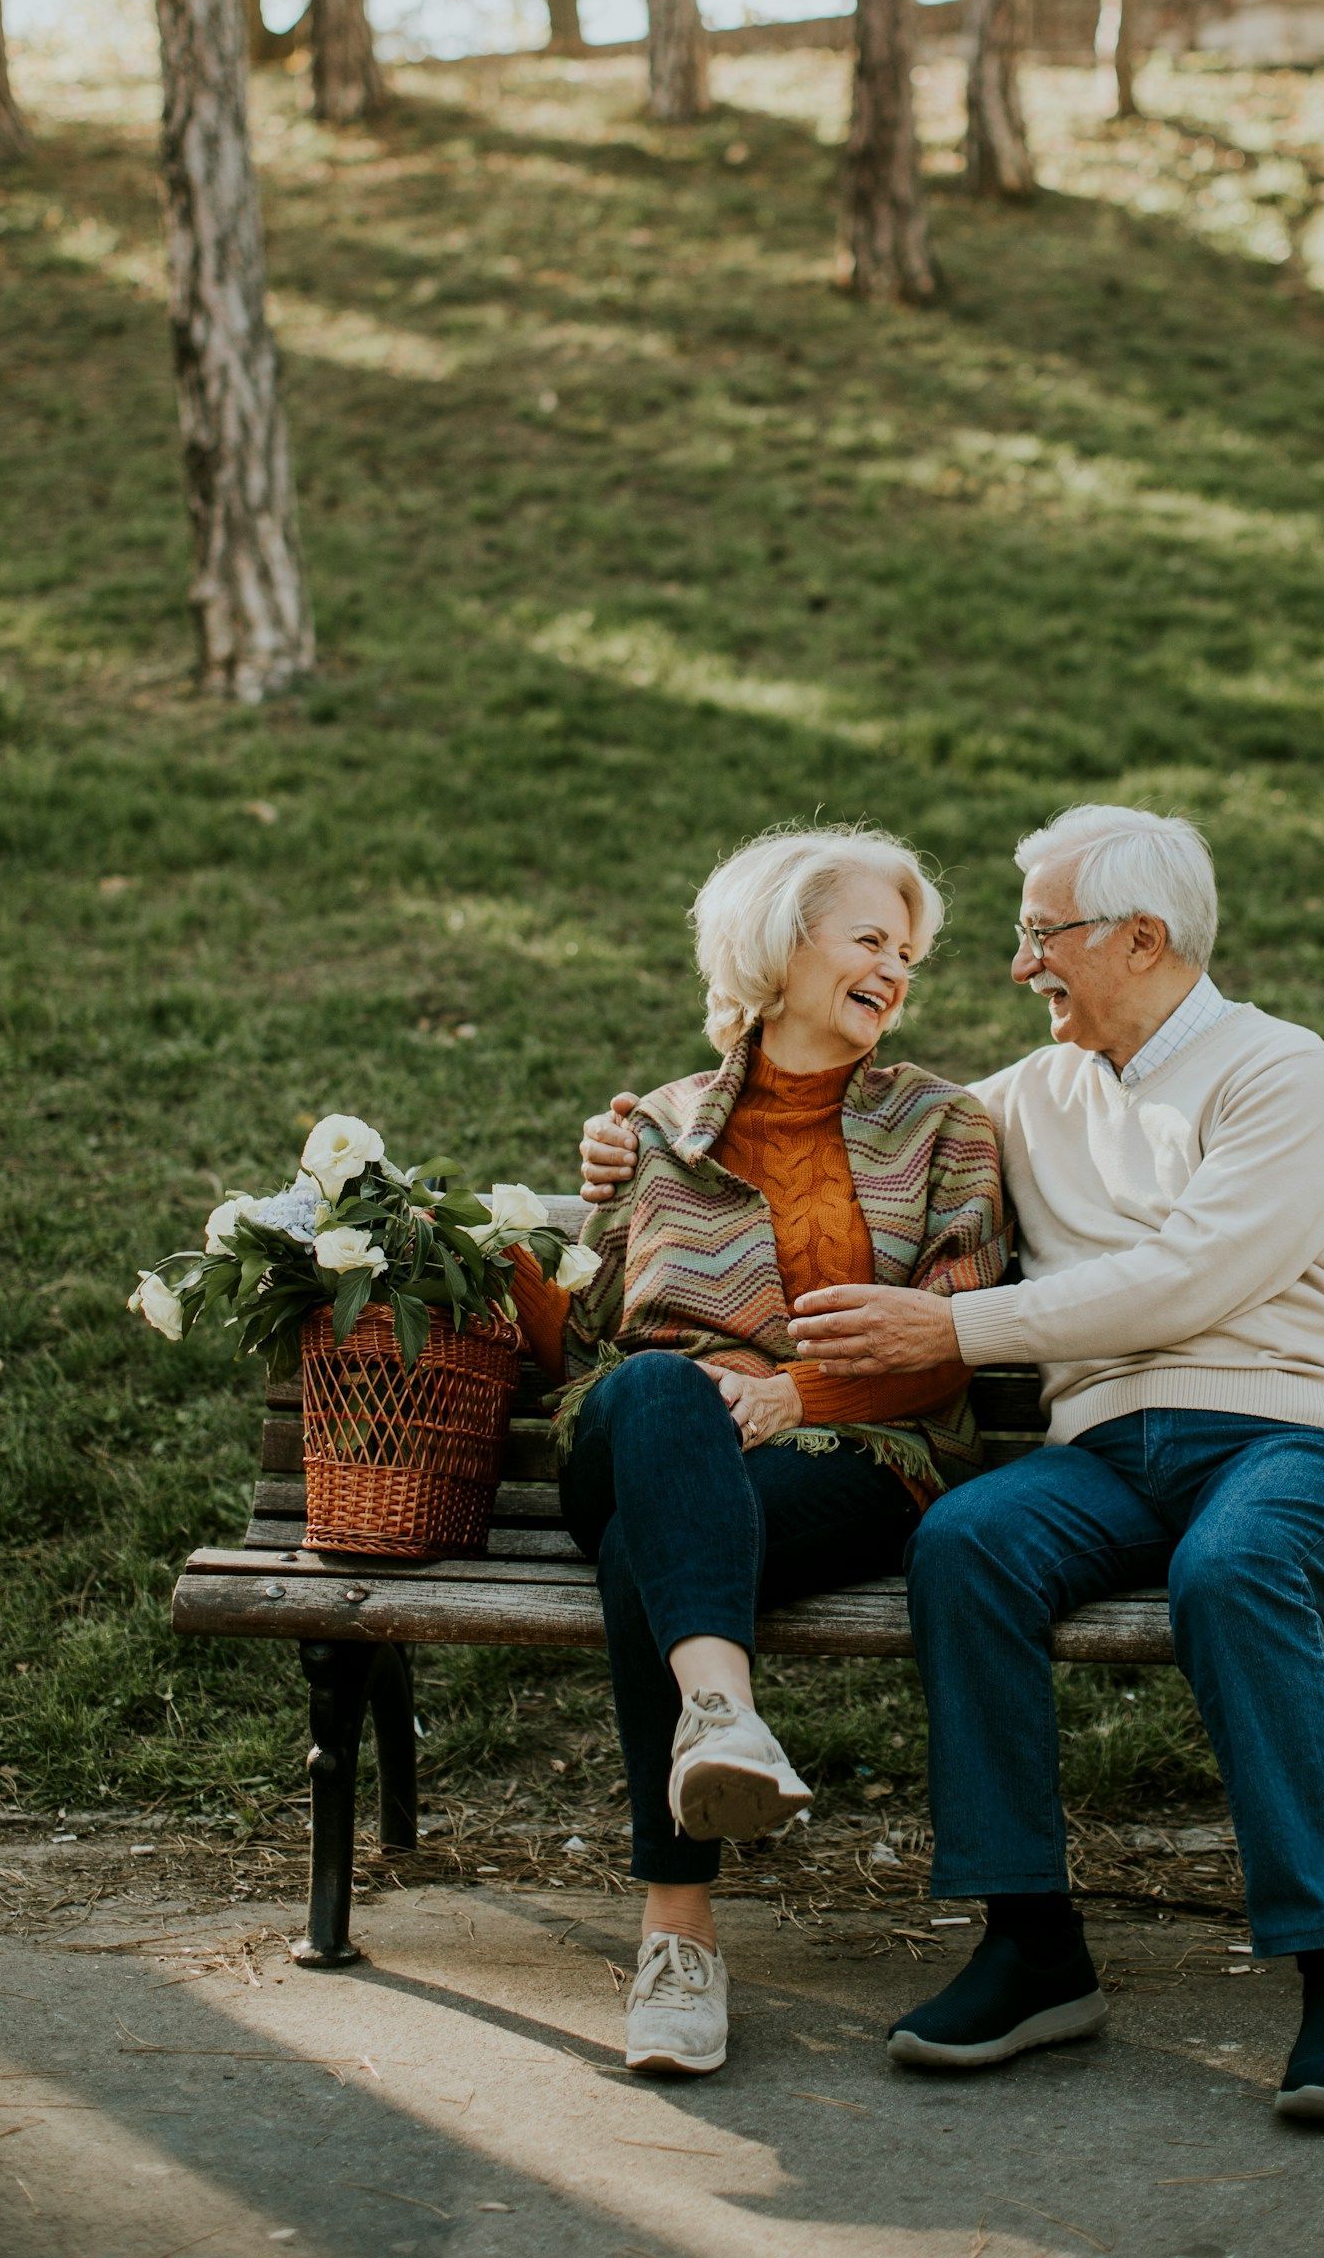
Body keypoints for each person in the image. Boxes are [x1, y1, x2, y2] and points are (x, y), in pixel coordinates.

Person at [582, 803, 1324, 2126]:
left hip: (1295, 1433)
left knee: (1234, 1571)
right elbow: (831, 1121)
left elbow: (1193, 1276)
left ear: (1139, 939)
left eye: (1043, 938)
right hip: (1105, 1455)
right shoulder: (1024, 1099)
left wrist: (952, 1328)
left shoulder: (1280, 1070)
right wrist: (624, 1152)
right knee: (965, 1543)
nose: (1020, 967)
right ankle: (1032, 1944)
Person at [520, 823, 1008, 2081]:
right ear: (780, 947)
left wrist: (798, 1391)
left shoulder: (947, 1127)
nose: (896, 970)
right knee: (663, 1395)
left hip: (854, 1458)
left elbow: (957, 1336)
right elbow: (581, 1338)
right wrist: (548, 1225)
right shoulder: (659, 1127)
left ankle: (679, 1922)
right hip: (647, 1429)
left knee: (650, 1543)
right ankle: (723, 1719)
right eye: (868, 940)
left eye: (907, 953)